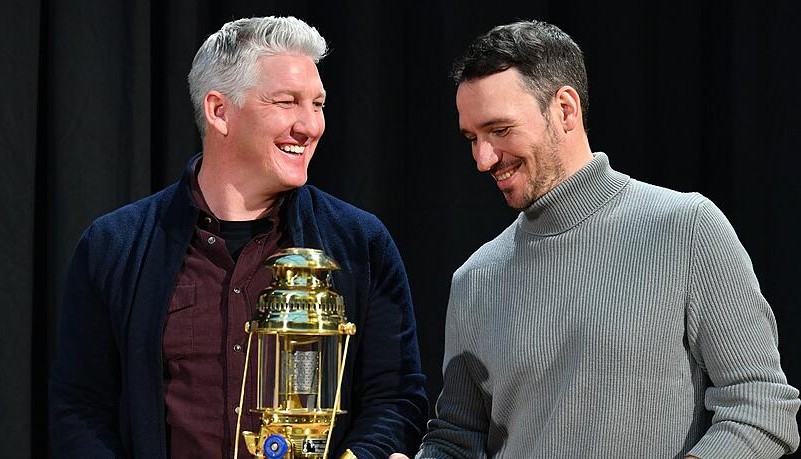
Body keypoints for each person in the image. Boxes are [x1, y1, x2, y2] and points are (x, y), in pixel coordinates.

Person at [394, 20, 800, 459]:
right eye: (472, 138)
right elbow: (456, 440)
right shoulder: (475, 277)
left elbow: (761, 407)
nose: (483, 158)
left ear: (565, 110)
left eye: (500, 130)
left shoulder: (687, 229)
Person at [49, 16, 428, 459]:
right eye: (287, 102)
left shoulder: (360, 243)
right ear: (219, 111)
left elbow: (395, 398)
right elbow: (80, 409)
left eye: (318, 104)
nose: (311, 125)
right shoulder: (113, 245)